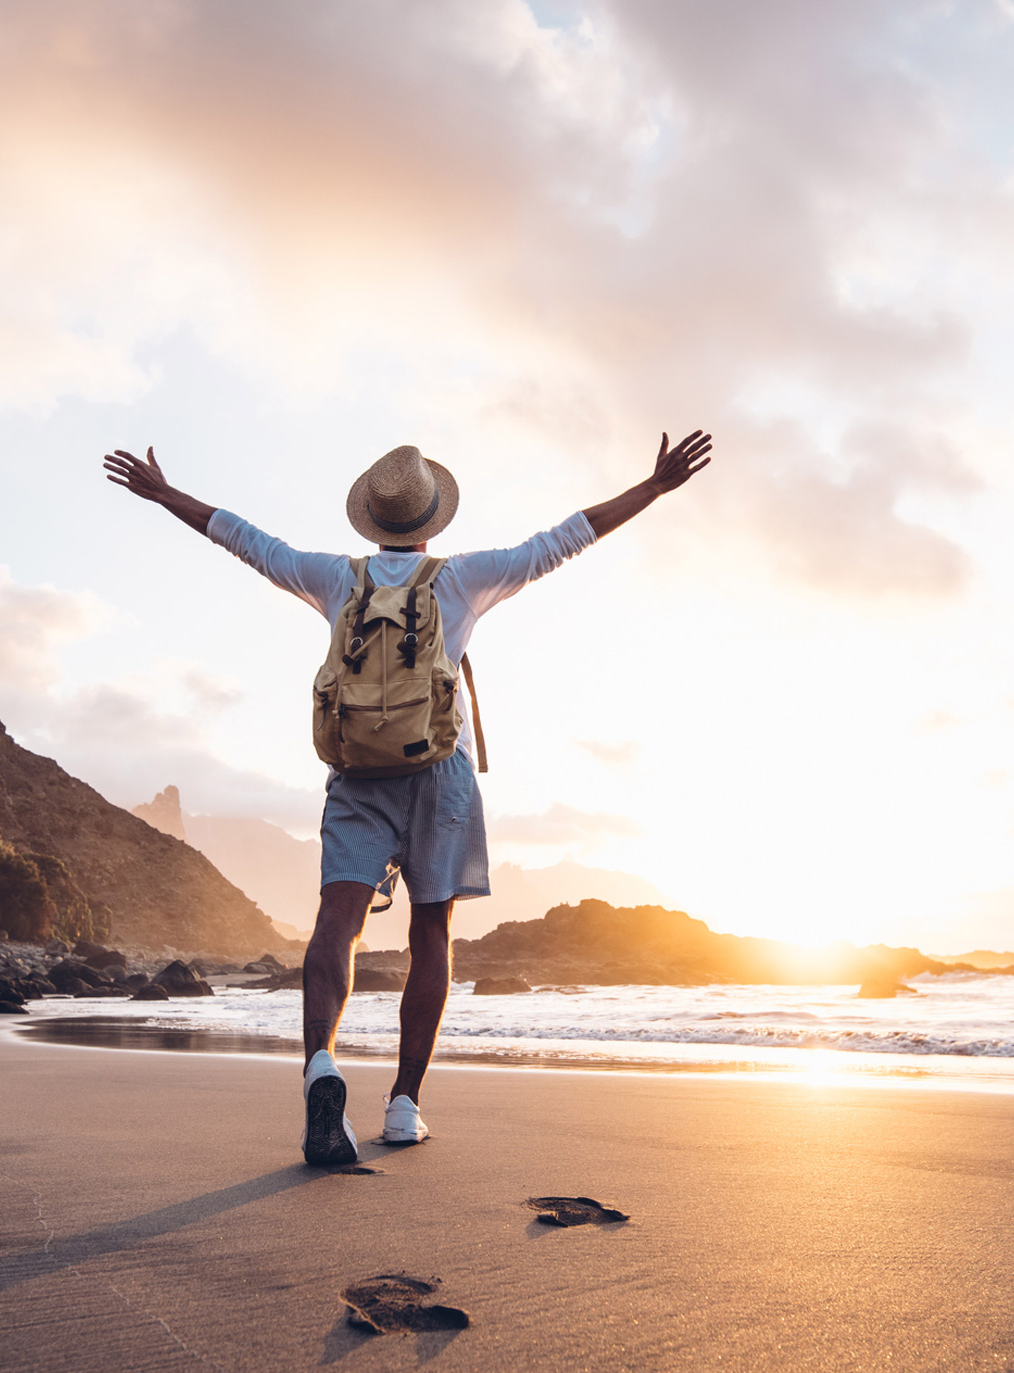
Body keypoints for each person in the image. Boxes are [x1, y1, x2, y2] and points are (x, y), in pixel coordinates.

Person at [103, 430, 712, 1164]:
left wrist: (165, 494)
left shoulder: (334, 578)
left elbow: (245, 539)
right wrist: (651, 488)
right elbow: (565, 539)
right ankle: (402, 1106)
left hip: (358, 773)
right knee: (431, 931)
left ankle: (321, 1066)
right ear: (430, 522)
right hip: (438, 774)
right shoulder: (464, 580)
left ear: (373, 519)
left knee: (340, 919)